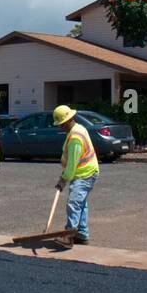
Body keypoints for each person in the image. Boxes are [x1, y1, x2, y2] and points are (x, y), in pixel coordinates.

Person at [53, 105, 99, 245]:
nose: (60, 127)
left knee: (73, 204)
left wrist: (63, 180)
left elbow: (72, 165)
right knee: (81, 204)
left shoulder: (75, 138)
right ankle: (82, 234)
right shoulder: (78, 128)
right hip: (86, 172)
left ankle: (69, 236)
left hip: (84, 174)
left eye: (61, 124)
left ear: (68, 121)